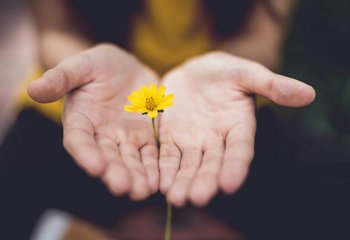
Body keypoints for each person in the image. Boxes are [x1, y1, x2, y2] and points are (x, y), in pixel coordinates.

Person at [3, 0, 349, 239]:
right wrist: (83, 66)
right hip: (92, 109)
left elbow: (261, 38)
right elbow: (56, 30)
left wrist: (224, 68)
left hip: (216, 113)